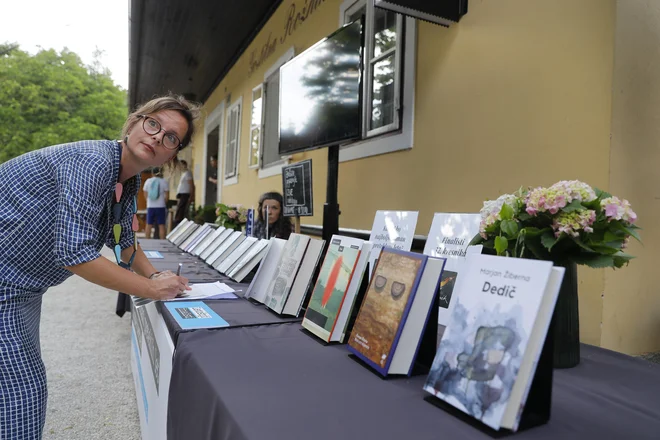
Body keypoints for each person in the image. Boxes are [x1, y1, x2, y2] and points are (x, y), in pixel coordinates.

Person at [0, 94, 198, 439]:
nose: (156, 136)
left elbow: (122, 240)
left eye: (170, 137)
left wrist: (154, 274)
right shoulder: (93, 161)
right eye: (153, 124)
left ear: (172, 155)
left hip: (23, 285)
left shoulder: (127, 179)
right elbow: (75, 254)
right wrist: (151, 289)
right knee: (22, 390)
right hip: (6, 283)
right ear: (134, 122)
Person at [142, 167, 169, 239]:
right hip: (161, 206)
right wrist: (164, 202)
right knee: (161, 225)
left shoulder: (148, 181)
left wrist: (148, 201)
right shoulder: (163, 181)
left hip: (150, 206)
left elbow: (145, 193)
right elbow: (167, 196)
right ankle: (162, 241)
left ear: (152, 173)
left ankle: (147, 240)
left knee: (149, 224)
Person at [174, 160, 194, 227]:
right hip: (181, 195)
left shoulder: (188, 173)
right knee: (179, 210)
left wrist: (191, 196)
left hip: (185, 194)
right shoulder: (184, 173)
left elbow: (191, 185)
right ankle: (178, 223)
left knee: (181, 211)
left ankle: (179, 224)